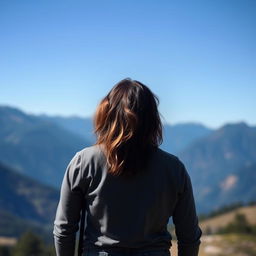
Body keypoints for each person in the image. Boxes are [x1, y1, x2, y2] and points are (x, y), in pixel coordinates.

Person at [53, 78, 202, 256]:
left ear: (107, 114)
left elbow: (64, 229)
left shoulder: (83, 162)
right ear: (152, 119)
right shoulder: (174, 169)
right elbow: (189, 236)